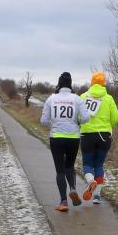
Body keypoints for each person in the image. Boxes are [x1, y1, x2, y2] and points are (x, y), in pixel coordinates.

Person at [40, 72, 89, 212]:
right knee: (70, 166)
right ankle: (73, 188)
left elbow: (43, 121)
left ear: (59, 84)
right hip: (73, 137)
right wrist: (77, 123)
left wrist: (53, 125)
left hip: (56, 137)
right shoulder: (77, 99)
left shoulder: (51, 99)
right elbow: (86, 118)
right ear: (70, 84)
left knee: (60, 170)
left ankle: (63, 202)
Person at [80, 71, 118, 204]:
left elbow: (78, 116)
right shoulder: (109, 98)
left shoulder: (83, 97)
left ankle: (91, 181)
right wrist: (107, 126)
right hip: (104, 136)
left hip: (87, 135)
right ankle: (97, 196)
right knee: (99, 165)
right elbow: (115, 119)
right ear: (103, 83)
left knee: (87, 164)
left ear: (92, 82)